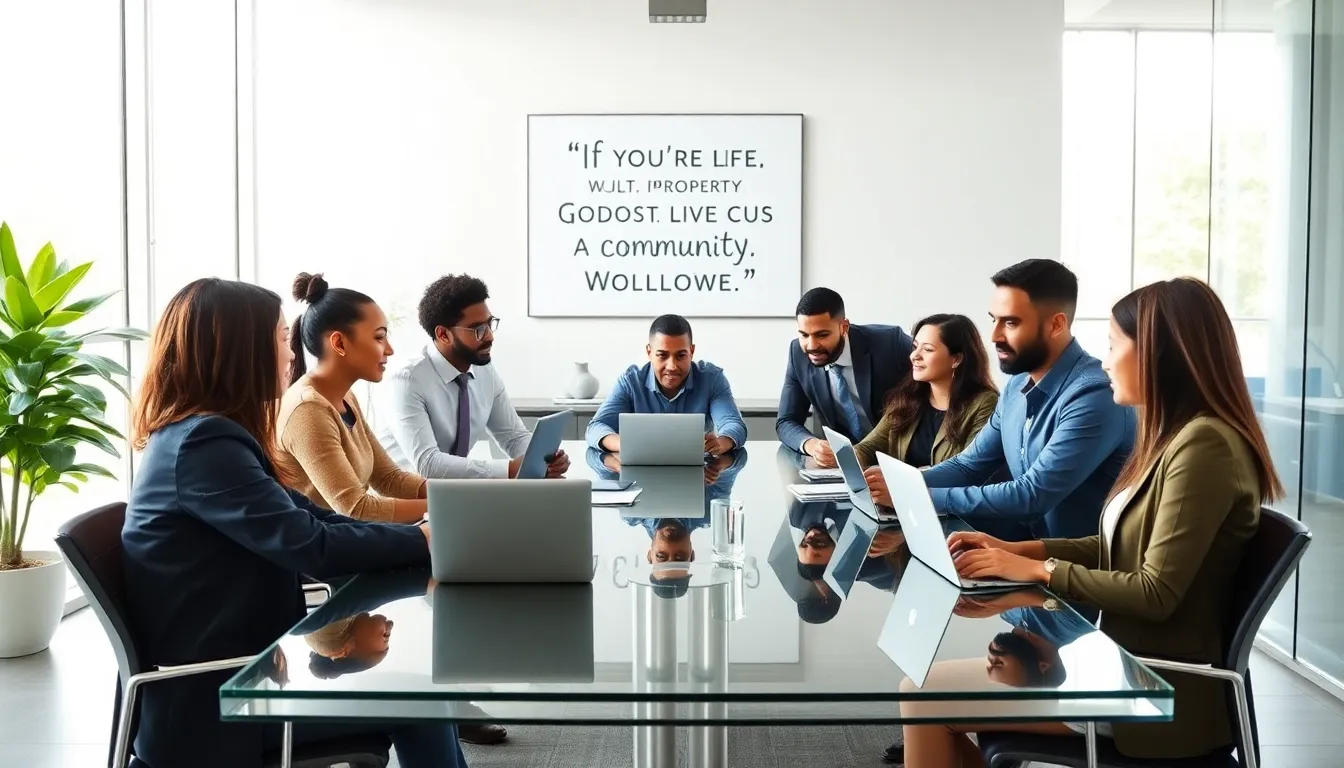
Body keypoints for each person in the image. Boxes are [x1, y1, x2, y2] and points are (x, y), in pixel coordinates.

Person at [903, 277, 1281, 764]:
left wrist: (1039, 573)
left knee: (921, 692)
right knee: (922, 692)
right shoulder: (1174, 436)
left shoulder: (1203, 446)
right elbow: (1116, 547)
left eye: (1113, 346)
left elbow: (1155, 591)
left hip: (1153, 690)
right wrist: (1020, 553)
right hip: (1121, 663)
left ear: (1158, 355)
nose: (1104, 362)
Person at [121, 277, 466, 768]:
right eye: (282, 338)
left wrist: (418, 538)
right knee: (418, 699)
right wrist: (421, 540)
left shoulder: (203, 434)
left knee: (421, 692)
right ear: (237, 352)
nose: (291, 354)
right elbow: (312, 546)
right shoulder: (206, 445)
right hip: (217, 708)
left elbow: (313, 517)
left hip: (246, 676)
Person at [920, 259, 1135, 541]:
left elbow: (1031, 495)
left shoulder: (1095, 395)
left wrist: (923, 498)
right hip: (1020, 555)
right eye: (993, 320)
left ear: (1056, 324)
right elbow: (969, 464)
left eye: (1010, 322)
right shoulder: (1017, 385)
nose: (994, 336)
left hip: (1076, 572)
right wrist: (903, 484)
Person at [378, 274, 568, 479]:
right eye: (478, 329)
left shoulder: (483, 369)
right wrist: (510, 469)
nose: (489, 336)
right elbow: (428, 463)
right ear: (443, 334)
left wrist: (543, 458)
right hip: (405, 501)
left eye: (489, 324)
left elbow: (513, 436)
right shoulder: (407, 381)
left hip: (455, 493)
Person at [276, 273, 428, 523]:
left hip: (350, 541)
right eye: (379, 337)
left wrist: (456, 495)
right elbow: (355, 509)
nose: (389, 349)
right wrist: (450, 507)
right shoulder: (307, 409)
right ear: (339, 343)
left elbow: (389, 479)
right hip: (325, 552)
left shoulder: (344, 395)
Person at [853, 313, 998, 507]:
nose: (914, 356)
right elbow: (868, 447)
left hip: (950, 514)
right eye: (915, 347)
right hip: (903, 509)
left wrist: (901, 482)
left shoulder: (985, 403)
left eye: (927, 349)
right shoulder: (907, 397)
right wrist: (853, 462)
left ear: (956, 359)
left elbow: (969, 472)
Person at [777, 287, 914, 467]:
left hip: (901, 459)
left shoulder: (890, 343)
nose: (811, 346)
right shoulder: (798, 353)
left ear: (844, 327)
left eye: (822, 335)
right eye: (804, 335)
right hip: (847, 467)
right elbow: (787, 421)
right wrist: (811, 445)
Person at [585, 314, 747, 453]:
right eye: (662, 355)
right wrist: (624, 444)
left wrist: (721, 443)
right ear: (649, 352)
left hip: (698, 477)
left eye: (681, 356)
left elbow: (733, 424)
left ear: (691, 351)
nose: (672, 366)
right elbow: (596, 427)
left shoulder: (712, 379)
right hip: (640, 475)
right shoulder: (630, 382)